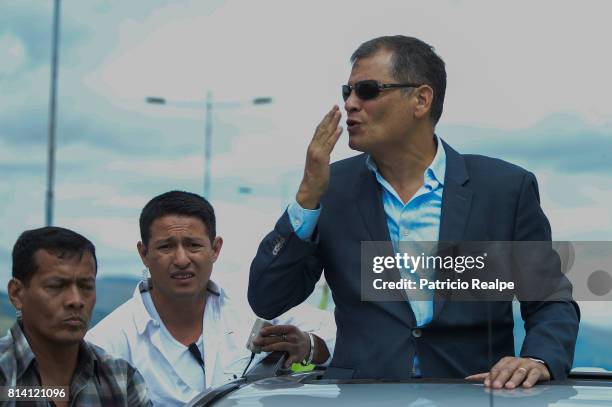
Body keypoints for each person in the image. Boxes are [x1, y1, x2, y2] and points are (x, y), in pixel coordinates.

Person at [248, 35, 579, 389]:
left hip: (474, 395)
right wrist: (306, 199)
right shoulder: (330, 189)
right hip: (363, 397)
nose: (350, 104)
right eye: (347, 92)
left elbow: (550, 300)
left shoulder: (504, 190)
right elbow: (269, 298)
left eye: (368, 90)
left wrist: (537, 358)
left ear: (421, 99)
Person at [87, 190, 334, 406]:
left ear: (215, 249)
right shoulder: (107, 344)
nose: (182, 259)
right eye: (166, 247)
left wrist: (311, 347)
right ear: (144, 253)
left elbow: (350, 337)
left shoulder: (254, 305)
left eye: (193, 245)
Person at [1, 226, 150, 406]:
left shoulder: (122, 380)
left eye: (86, 286)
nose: (76, 300)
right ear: (17, 294)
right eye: (56, 286)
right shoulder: (5, 374)